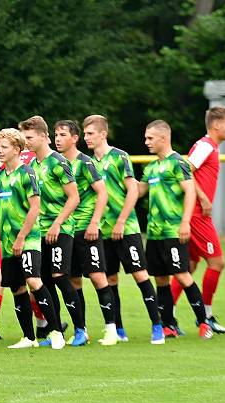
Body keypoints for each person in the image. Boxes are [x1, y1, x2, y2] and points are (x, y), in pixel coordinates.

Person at [85, 115, 163, 344]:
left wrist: (121, 220)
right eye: (85, 133)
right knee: (110, 279)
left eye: (90, 133)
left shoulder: (119, 156)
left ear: (102, 134)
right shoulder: (88, 162)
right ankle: (118, 329)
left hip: (126, 228)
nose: (86, 137)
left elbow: (132, 191)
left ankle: (157, 326)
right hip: (102, 231)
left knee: (140, 275)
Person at [137, 120, 213, 340]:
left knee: (181, 275)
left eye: (150, 138)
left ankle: (203, 322)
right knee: (160, 279)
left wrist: (185, 222)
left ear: (163, 138)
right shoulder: (151, 167)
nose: (146, 142)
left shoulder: (177, 163)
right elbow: (139, 191)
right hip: (154, 233)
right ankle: (170, 325)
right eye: (145, 138)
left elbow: (190, 192)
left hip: (173, 231)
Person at [0, 128, 65, 350]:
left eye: (4, 147)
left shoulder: (27, 173)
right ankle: (28, 337)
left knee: (34, 280)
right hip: (7, 242)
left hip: (28, 239)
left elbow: (35, 208)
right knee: (17, 287)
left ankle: (55, 332)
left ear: (16, 149)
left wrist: (22, 237)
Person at [20, 116, 86, 346]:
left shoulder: (57, 162)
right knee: (45, 281)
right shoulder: (31, 166)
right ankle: (55, 331)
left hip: (61, 229)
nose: (26, 142)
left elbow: (74, 197)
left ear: (42, 136)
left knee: (60, 276)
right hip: (40, 232)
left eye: (29, 137)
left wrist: (57, 223)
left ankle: (80, 329)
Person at [53, 120, 119, 346]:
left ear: (74, 138)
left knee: (98, 276)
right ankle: (81, 330)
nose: (58, 139)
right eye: (56, 134)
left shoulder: (85, 162)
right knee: (74, 280)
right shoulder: (57, 164)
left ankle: (111, 329)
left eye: (62, 134)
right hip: (68, 231)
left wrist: (94, 222)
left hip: (87, 230)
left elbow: (102, 193)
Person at [169, 106, 225, 334]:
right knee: (217, 263)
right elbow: (185, 169)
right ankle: (205, 316)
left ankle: (169, 318)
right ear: (216, 125)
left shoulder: (209, 146)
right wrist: (204, 197)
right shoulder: (206, 145)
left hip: (196, 214)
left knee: (189, 266)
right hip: (196, 216)